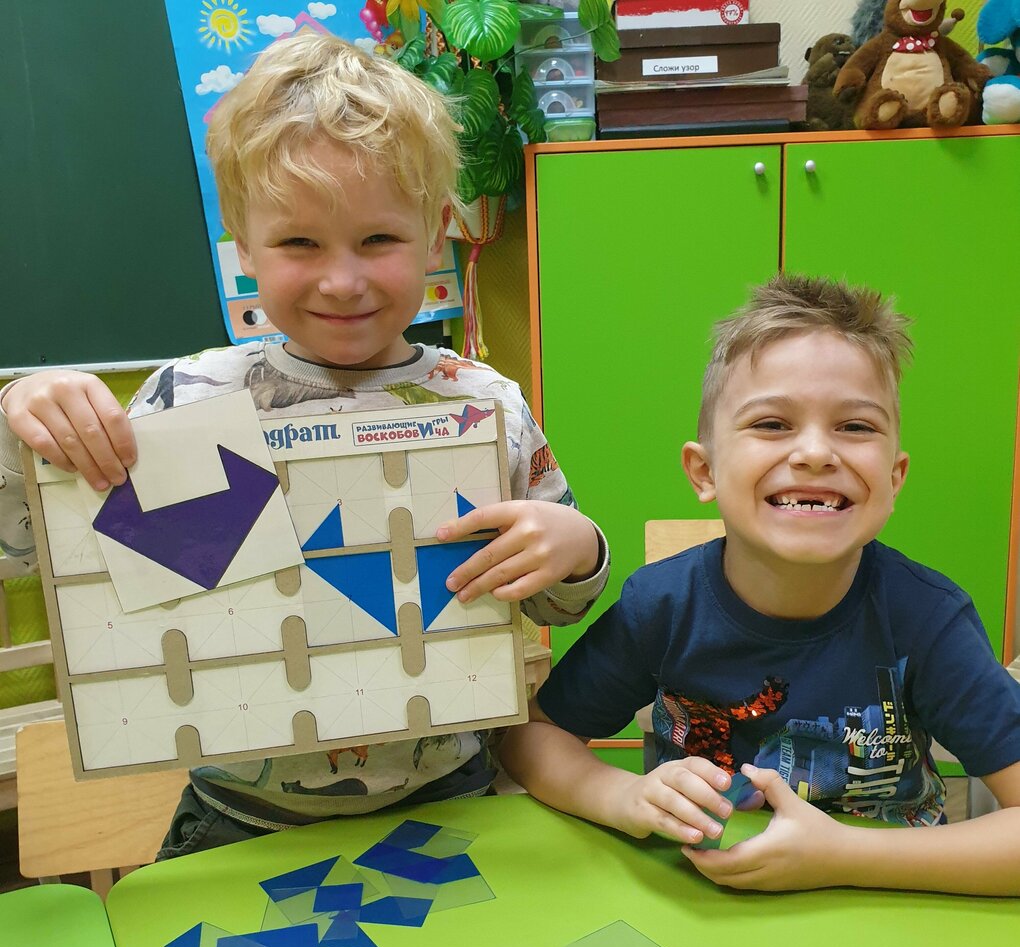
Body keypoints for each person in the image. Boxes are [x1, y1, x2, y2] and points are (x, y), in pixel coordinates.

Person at [0, 34, 608, 857]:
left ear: (436, 234)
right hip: (236, 818)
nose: (342, 281)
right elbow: (34, 554)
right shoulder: (191, 400)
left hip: (455, 797)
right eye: (299, 244)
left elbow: (555, 605)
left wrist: (577, 547)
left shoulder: (482, 403)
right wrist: (21, 427)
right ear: (243, 244)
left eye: (378, 240)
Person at [499, 274, 1020, 897]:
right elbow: (530, 738)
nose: (815, 453)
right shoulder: (661, 607)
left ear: (894, 477)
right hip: (703, 911)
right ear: (704, 472)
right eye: (772, 423)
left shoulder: (928, 619)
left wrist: (844, 856)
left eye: (856, 427)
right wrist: (623, 795)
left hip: (889, 906)